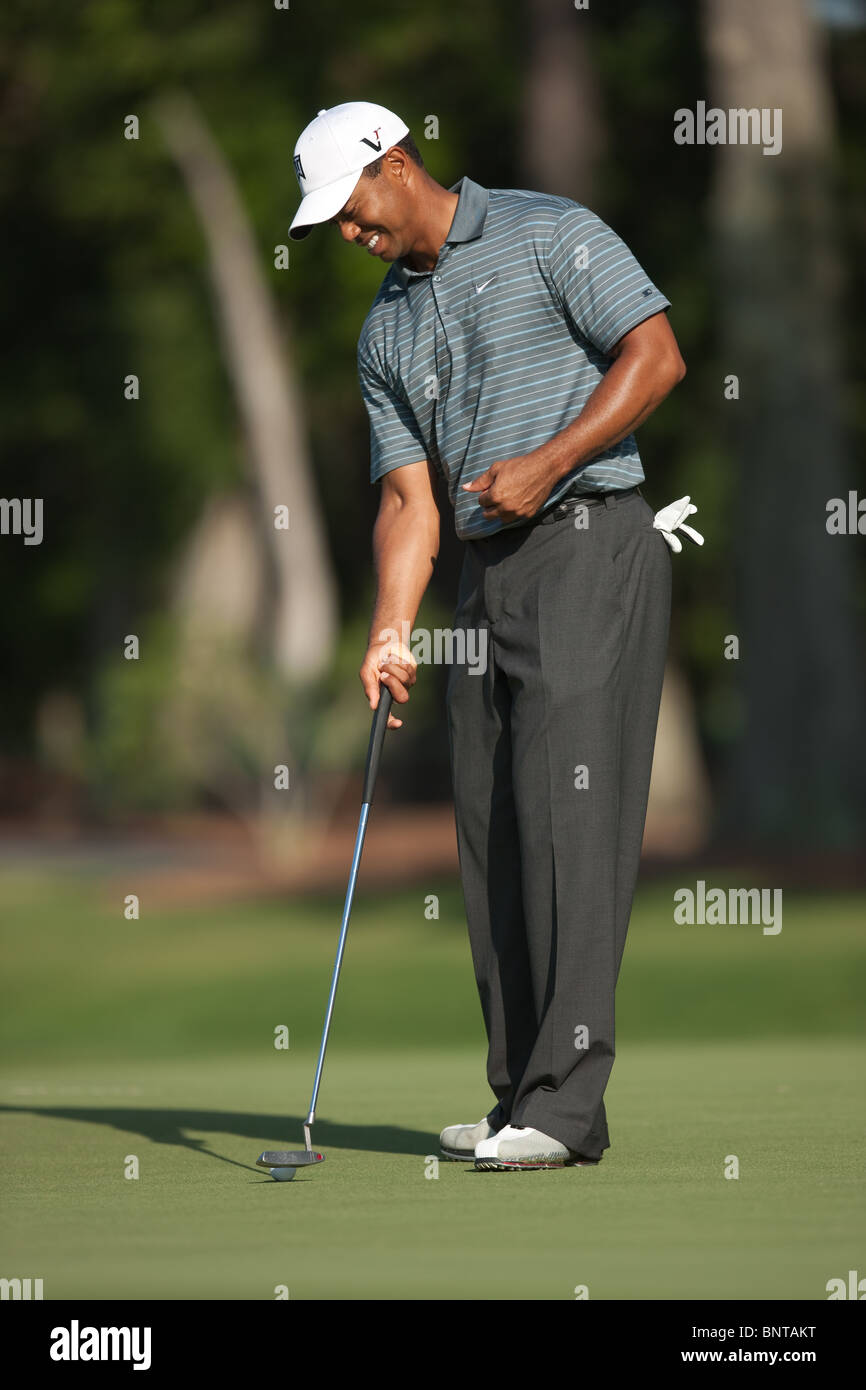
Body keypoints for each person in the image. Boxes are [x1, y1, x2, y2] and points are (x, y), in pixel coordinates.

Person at [289, 101, 688, 1171]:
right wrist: (387, 625)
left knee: (566, 826)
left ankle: (560, 1111)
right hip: (483, 577)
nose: (344, 232)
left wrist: (548, 462)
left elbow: (655, 358)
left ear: (398, 163)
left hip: (587, 540)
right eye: (326, 220)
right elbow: (407, 504)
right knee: (492, 831)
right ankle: (522, 1096)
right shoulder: (383, 330)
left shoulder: (547, 231)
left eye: (349, 206)